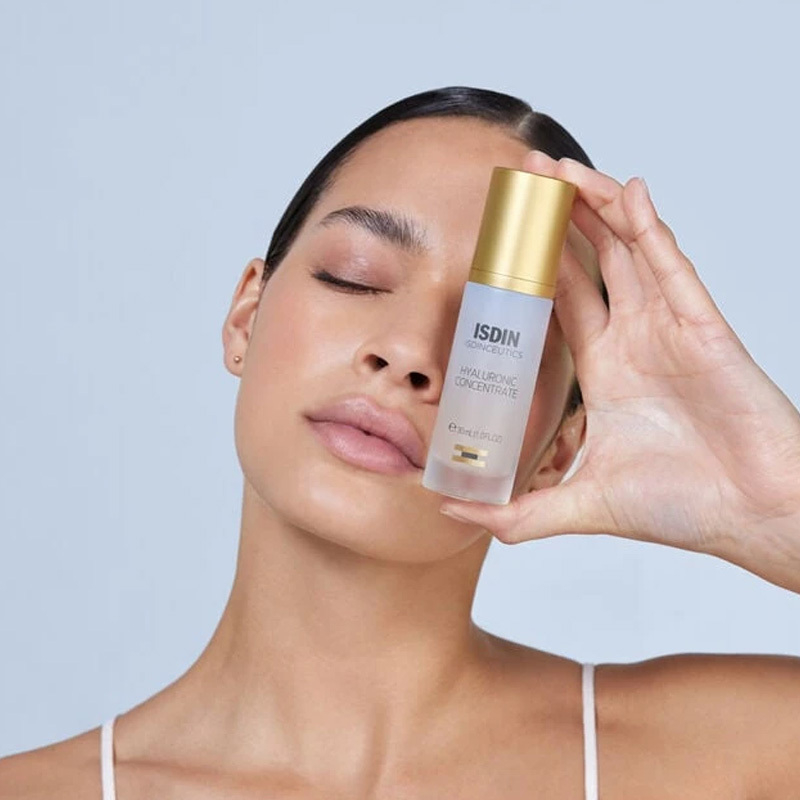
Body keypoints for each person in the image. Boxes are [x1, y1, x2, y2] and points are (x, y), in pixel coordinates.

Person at [2, 85, 800, 799]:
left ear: (559, 448)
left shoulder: (735, 760)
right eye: (355, 275)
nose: (413, 352)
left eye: (498, 334)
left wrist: (777, 509)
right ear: (246, 317)